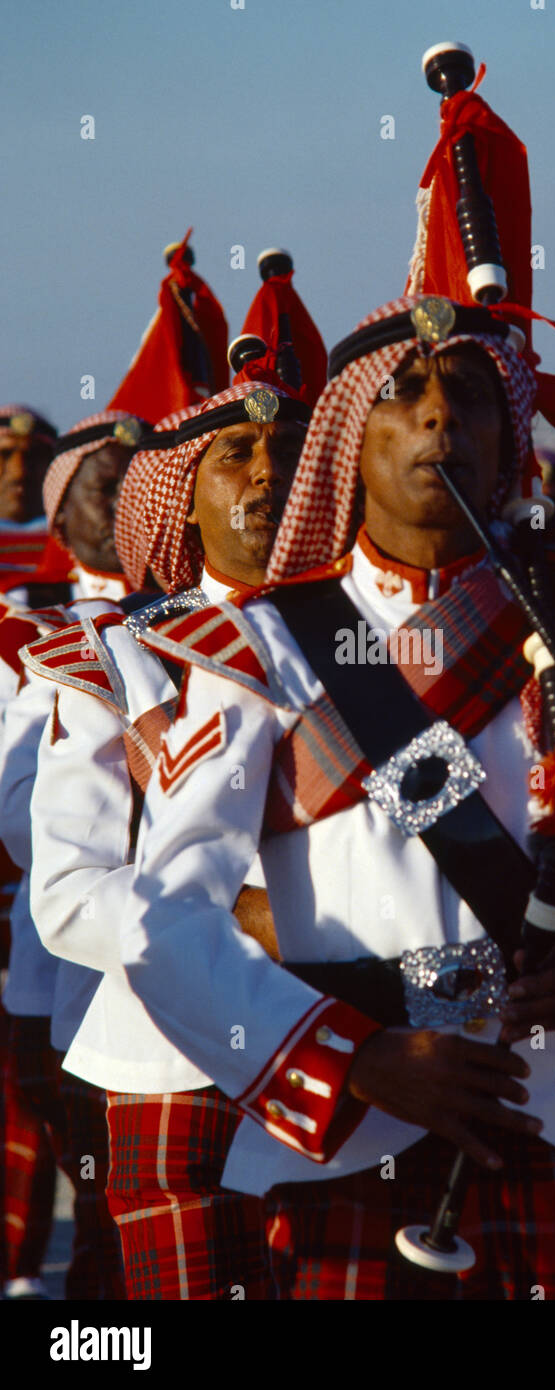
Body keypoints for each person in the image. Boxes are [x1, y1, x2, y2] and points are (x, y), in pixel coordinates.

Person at [114, 295, 555, 1300]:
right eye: (402, 394)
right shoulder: (257, 647)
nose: (438, 418)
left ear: (504, 436)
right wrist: (357, 1056)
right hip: (350, 1138)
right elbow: (164, 917)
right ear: (344, 437)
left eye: (468, 396)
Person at [23, 375, 310, 1299]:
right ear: (179, 497)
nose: (267, 477)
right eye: (234, 457)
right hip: (170, 1065)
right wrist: (252, 920)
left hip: (365, 1062)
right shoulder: (113, 652)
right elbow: (67, 897)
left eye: (290, 455)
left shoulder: (384, 643)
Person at [0, 407, 146, 1299]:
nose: (125, 491)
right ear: (61, 514)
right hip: (68, 986)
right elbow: (21, 821)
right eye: (103, 478)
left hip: (215, 999)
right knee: (102, 1231)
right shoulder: (35, 640)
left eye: (141, 476)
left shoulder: (205, 619)